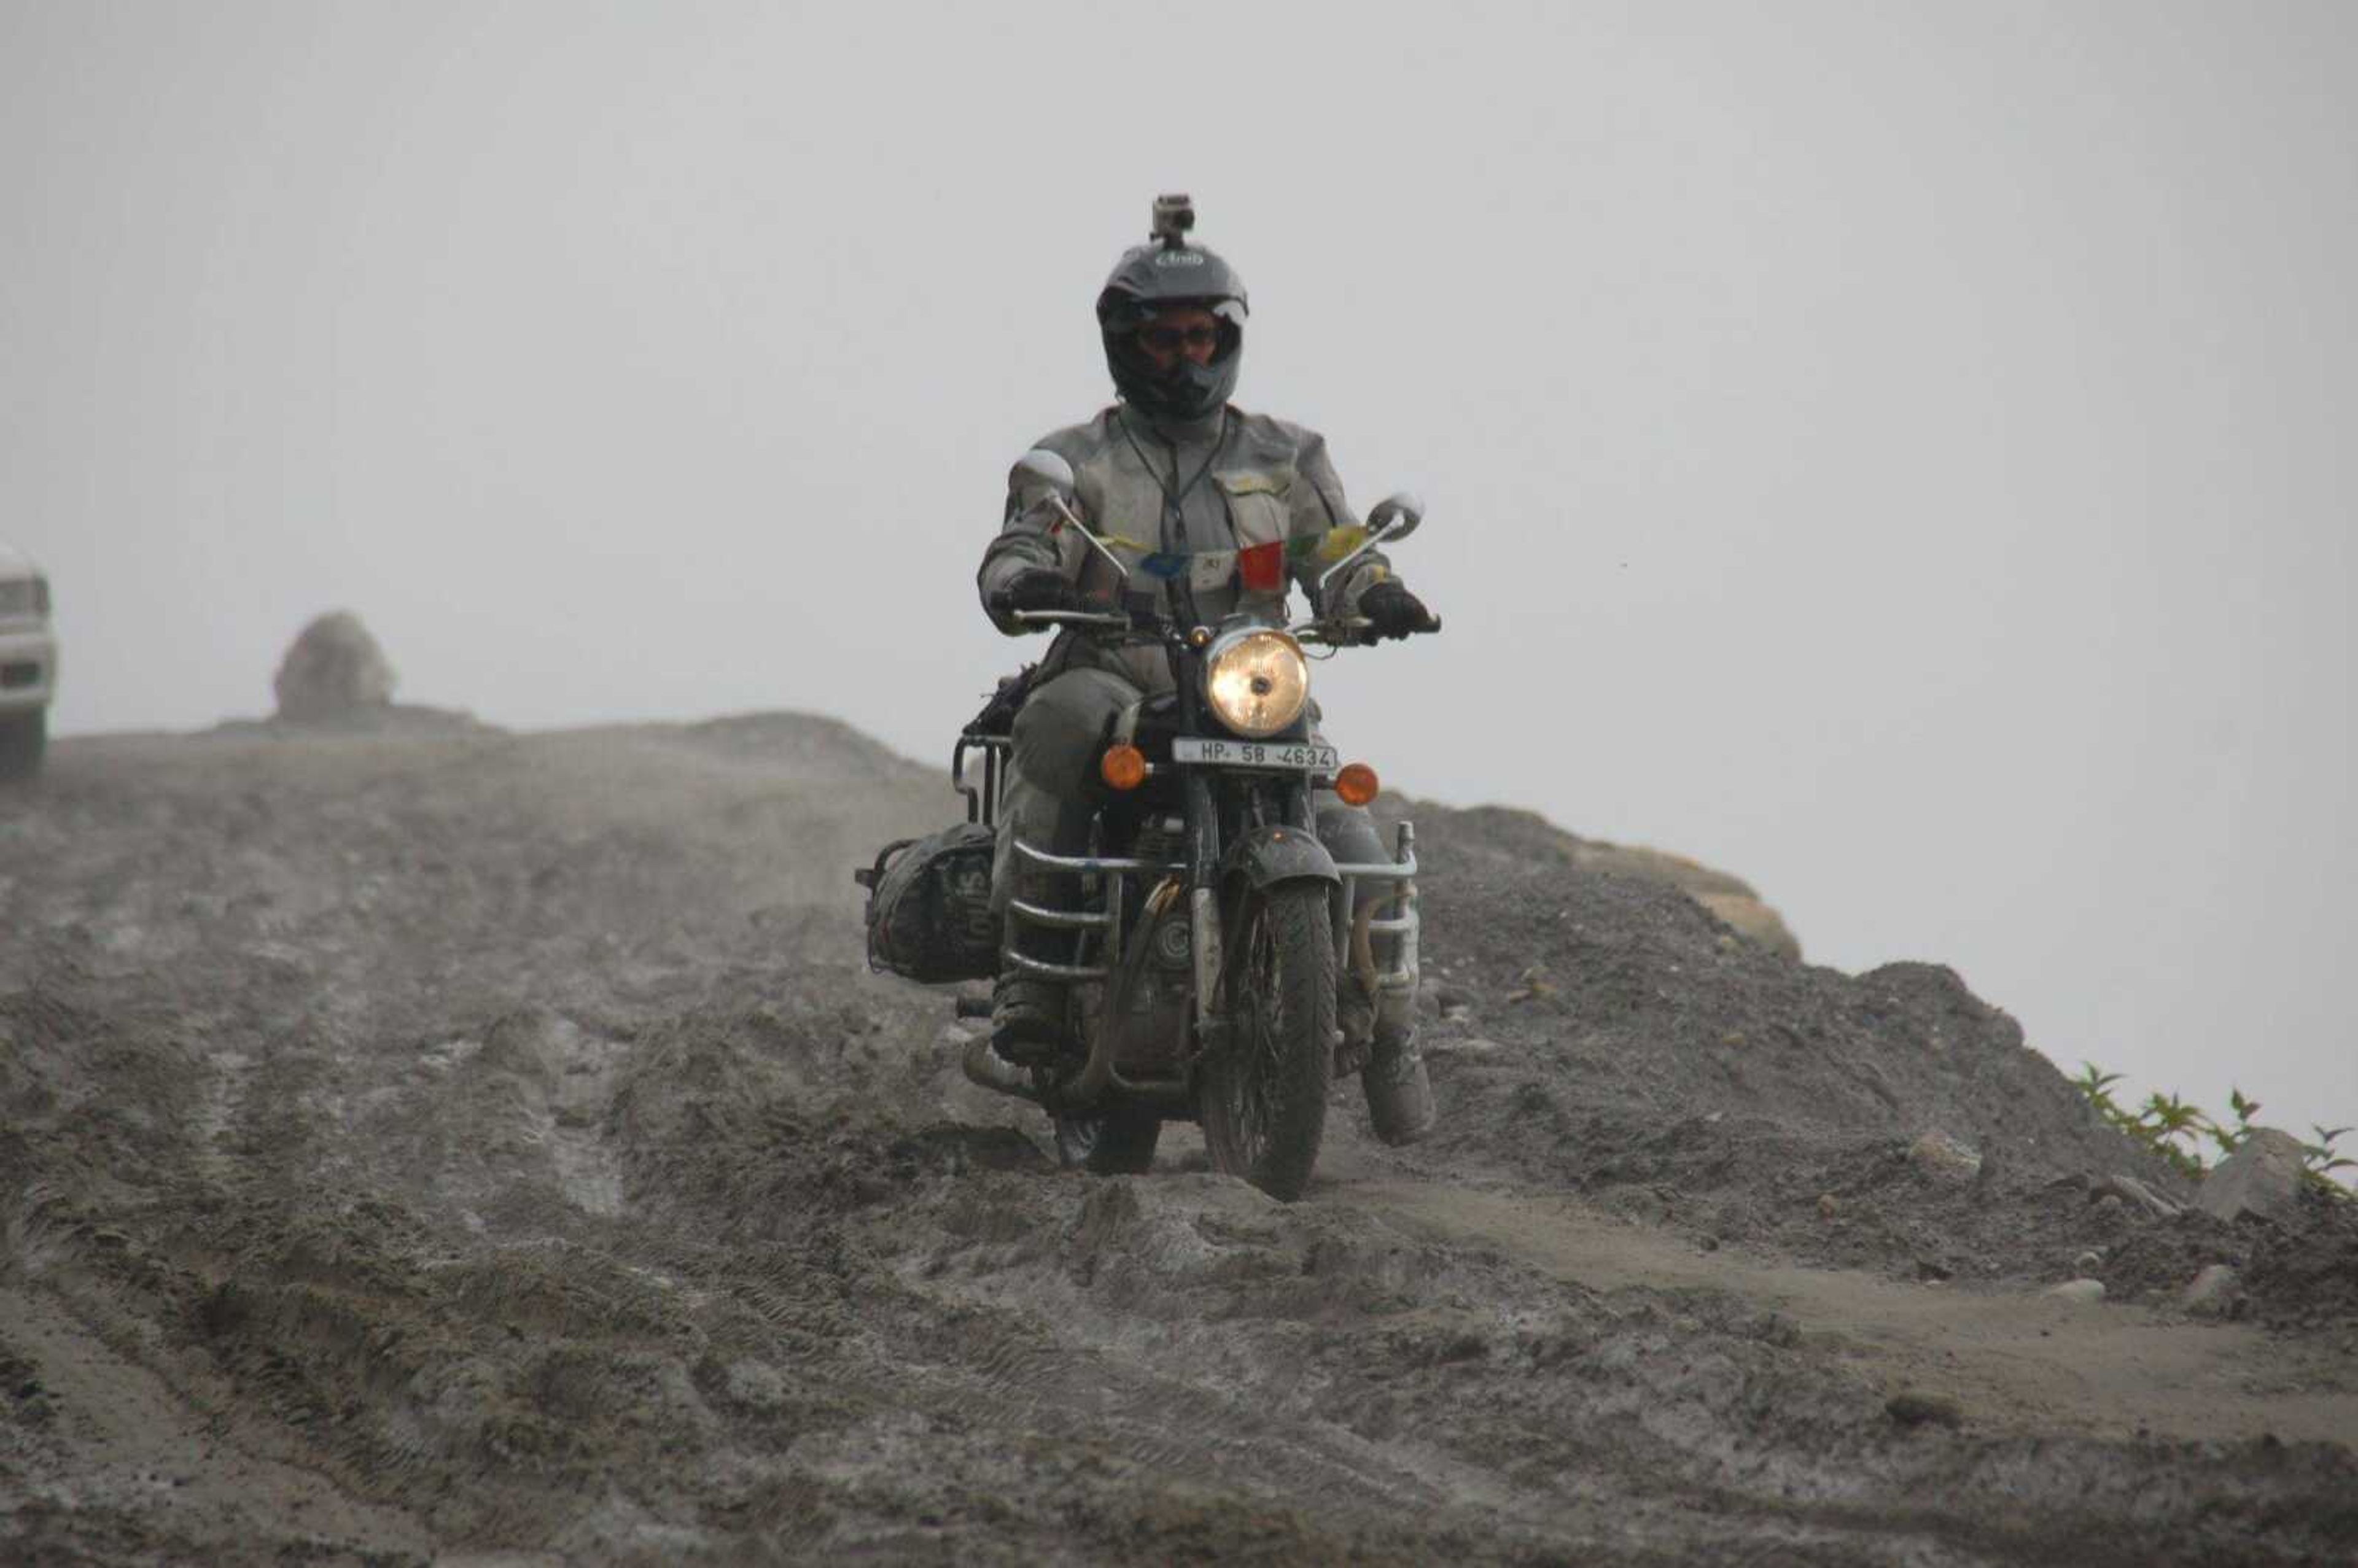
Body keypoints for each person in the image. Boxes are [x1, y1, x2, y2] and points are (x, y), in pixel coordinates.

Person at [975, 196, 1441, 1145]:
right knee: (1059, 722)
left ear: (1227, 336)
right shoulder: (1074, 459)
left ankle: (1393, 1026)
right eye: (1161, 339)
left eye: (1200, 335)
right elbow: (1022, 539)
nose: (1183, 356)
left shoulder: (1288, 454)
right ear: (1124, 343)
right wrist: (1021, 578)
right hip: (1115, 674)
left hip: (1251, 681)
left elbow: (1339, 550)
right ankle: (1031, 974)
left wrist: (1376, 589)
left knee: (1351, 832)